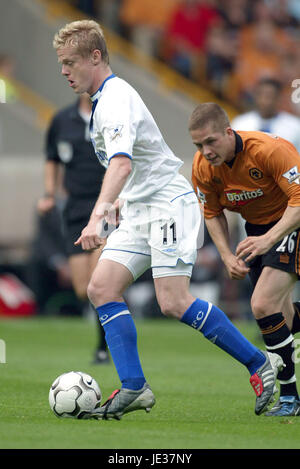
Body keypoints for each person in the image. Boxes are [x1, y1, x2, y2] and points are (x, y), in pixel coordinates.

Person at [52, 19, 283, 420]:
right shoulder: (102, 101)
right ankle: (134, 386)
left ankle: (257, 362)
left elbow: (122, 164)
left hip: (167, 205)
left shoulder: (116, 98)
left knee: (173, 301)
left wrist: (97, 217)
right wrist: (119, 206)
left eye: (70, 62)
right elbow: (128, 168)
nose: (63, 71)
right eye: (60, 63)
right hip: (140, 207)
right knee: (101, 288)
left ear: (95, 56)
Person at [190, 102, 300, 416]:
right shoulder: (203, 167)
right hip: (257, 232)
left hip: (292, 222)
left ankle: (290, 398)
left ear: (228, 132)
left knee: (262, 305)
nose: (206, 151)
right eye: (198, 145)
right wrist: (226, 255)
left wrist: (269, 238)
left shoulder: (269, 150)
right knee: (282, 320)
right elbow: (211, 213)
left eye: (211, 141)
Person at [37, 93, 109, 364]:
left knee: (98, 282)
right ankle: (114, 318)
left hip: (105, 207)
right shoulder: (61, 119)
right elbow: (51, 158)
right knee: (83, 289)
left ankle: (104, 347)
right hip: (75, 210)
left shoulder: (110, 116)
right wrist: (49, 193)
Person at [231, 77, 300, 152]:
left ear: (279, 98)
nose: (265, 101)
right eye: (261, 95)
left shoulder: (295, 126)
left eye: (270, 96)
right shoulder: (240, 124)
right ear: (255, 96)